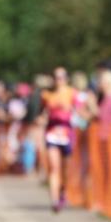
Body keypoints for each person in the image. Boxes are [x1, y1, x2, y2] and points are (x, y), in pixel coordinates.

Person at [42, 67, 77, 212]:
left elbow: (82, 112)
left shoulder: (72, 93)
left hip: (67, 133)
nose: (58, 80)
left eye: (61, 77)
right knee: (54, 167)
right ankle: (54, 200)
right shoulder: (46, 94)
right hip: (51, 133)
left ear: (66, 78)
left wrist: (70, 108)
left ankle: (63, 191)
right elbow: (41, 112)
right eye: (56, 77)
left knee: (65, 170)